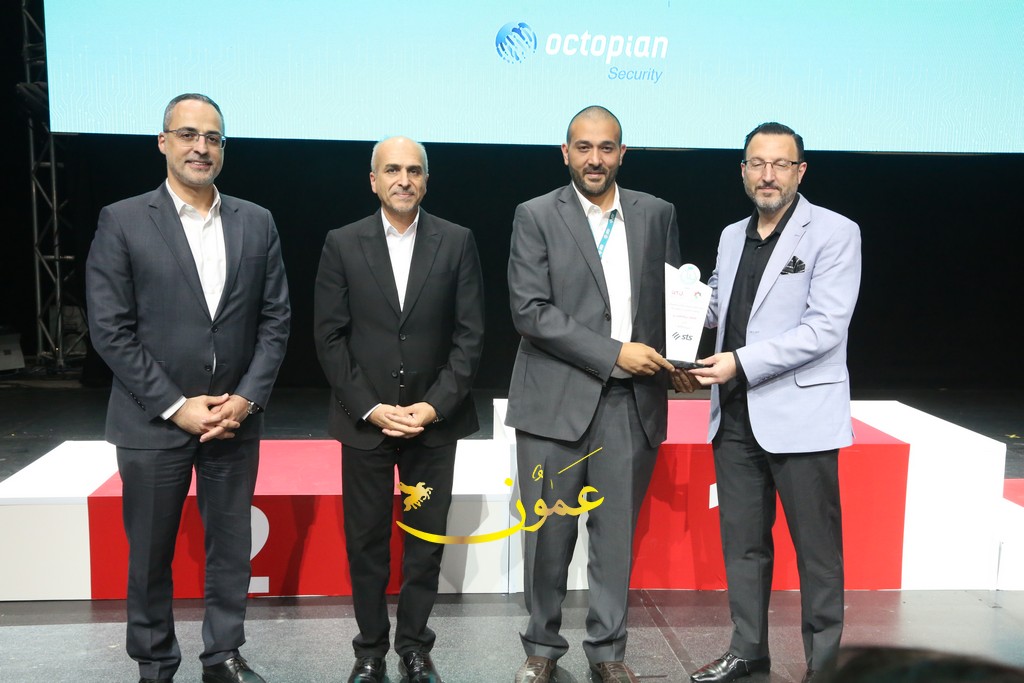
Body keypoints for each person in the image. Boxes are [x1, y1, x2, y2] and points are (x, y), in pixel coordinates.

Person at [86, 93, 290, 683]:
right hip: (152, 420)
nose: (201, 147)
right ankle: (155, 662)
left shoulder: (257, 220)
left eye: (213, 138)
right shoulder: (123, 219)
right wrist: (176, 406)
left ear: (223, 147)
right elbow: (110, 328)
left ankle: (223, 654)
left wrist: (245, 399)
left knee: (231, 547)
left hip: (232, 419)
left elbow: (275, 320)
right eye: (188, 135)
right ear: (163, 142)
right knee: (151, 553)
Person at [505, 105, 696, 683]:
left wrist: (678, 358)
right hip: (554, 402)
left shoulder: (656, 213)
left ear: (622, 153)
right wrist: (614, 353)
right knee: (547, 536)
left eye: (606, 147)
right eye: (584, 147)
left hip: (630, 404)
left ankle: (608, 652)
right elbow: (530, 311)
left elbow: (670, 302)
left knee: (615, 540)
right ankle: (541, 648)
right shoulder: (536, 214)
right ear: (565, 153)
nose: (595, 159)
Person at [688, 122, 862, 683]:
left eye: (780, 164)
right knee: (743, 545)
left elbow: (824, 329)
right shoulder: (730, 235)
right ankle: (748, 650)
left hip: (800, 415)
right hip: (734, 415)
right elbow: (714, 306)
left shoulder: (835, 232)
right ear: (743, 171)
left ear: (800, 172)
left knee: (817, 553)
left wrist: (740, 362)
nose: (768, 175)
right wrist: (672, 300)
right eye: (757, 163)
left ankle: (825, 666)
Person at [313, 136, 485, 683]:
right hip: (365, 423)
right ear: (374, 180)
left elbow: (470, 336)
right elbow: (329, 337)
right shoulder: (342, 243)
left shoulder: (456, 241)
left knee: (424, 543)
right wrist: (369, 407)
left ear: (426, 180)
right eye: (392, 170)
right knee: (365, 542)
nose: (403, 179)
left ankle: (414, 647)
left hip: (432, 424)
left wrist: (433, 406)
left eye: (414, 170)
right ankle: (369, 651)